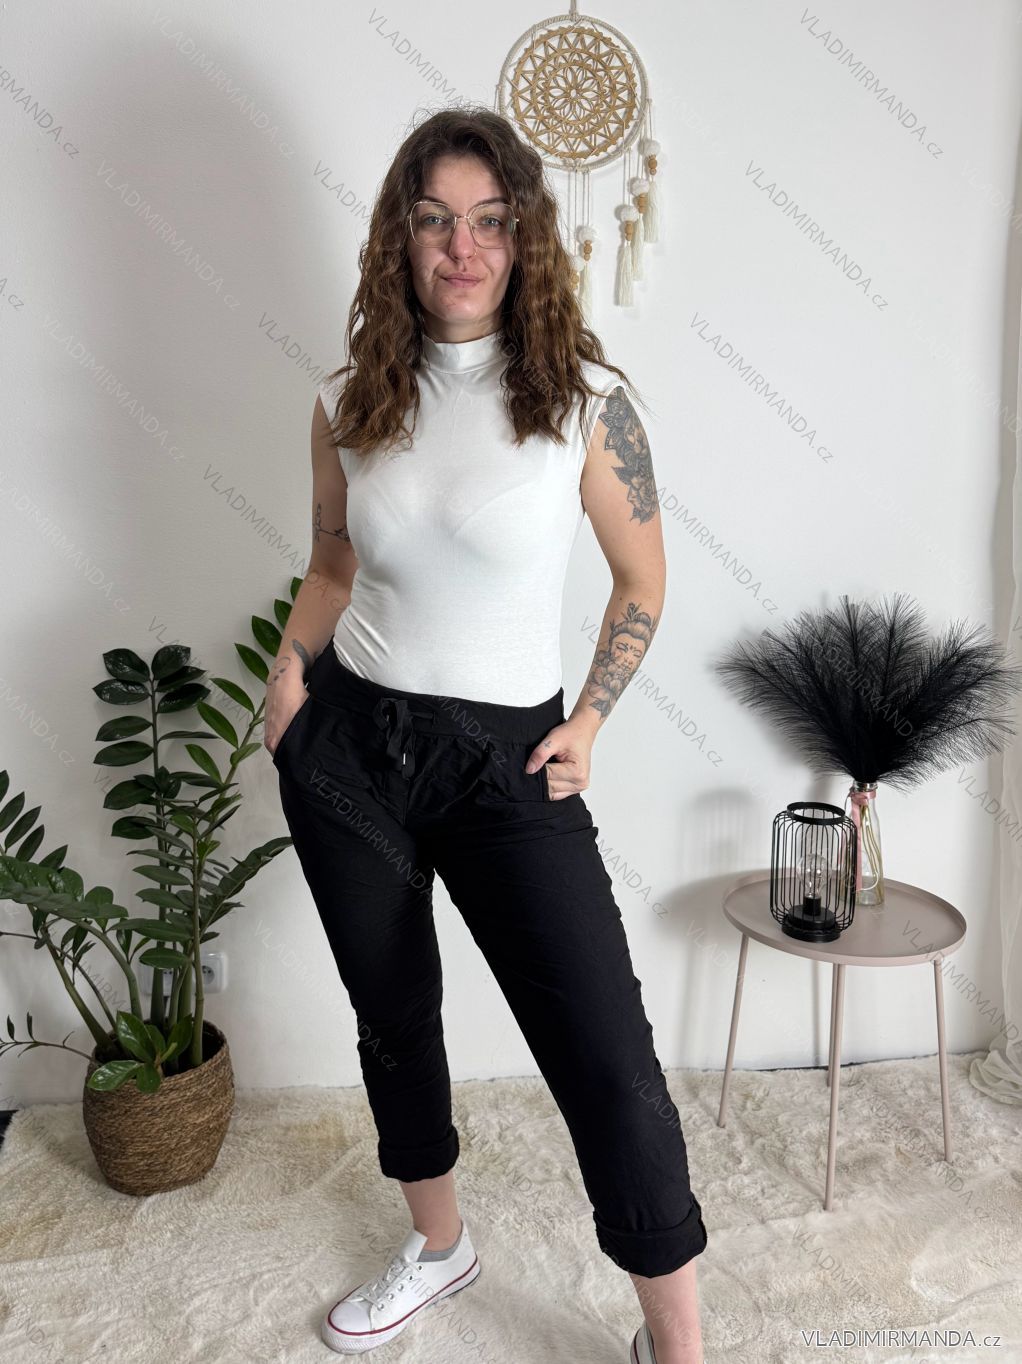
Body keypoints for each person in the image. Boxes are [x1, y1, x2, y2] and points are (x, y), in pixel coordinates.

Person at [265, 105, 707, 1364]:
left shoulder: (586, 401)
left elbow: (640, 582)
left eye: (489, 221)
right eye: (433, 221)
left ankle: (676, 1339)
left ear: (523, 238)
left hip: (509, 761)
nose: (461, 247)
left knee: (604, 1049)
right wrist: (287, 678)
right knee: (393, 1014)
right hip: (350, 747)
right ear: (398, 240)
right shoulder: (346, 398)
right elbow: (332, 563)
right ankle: (439, 1243)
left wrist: (589, 720)